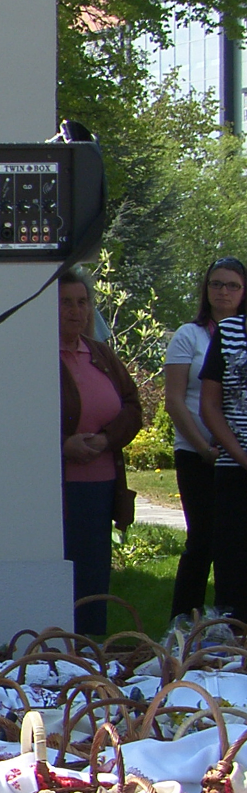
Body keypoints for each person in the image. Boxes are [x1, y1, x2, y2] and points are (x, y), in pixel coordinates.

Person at [58, 268, 142, 634]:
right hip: (62, 488)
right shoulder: (37, 358)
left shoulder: (101, 354)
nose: (76, 311)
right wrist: (63, 446)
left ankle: (92, 654)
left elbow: (132, 405)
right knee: (66, 576)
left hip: (102, 486)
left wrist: (107, 440)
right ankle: (60, 652)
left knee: (95, 576)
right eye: (65, 303)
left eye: (82, 302)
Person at [164, 258, 247, 619]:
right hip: (200, 451)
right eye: (216, 284)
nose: (223, 291)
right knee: (204, 541)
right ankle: (186, 621)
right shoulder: (191, 335)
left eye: (232, 285)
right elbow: (176, 399)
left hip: (223, 448)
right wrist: (203, 445)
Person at [200, 279, 247, 615]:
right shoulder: (229, 332)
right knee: (234, 571)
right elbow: (210, 405)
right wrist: (242, 456)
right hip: (235, 471)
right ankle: (233, 654)